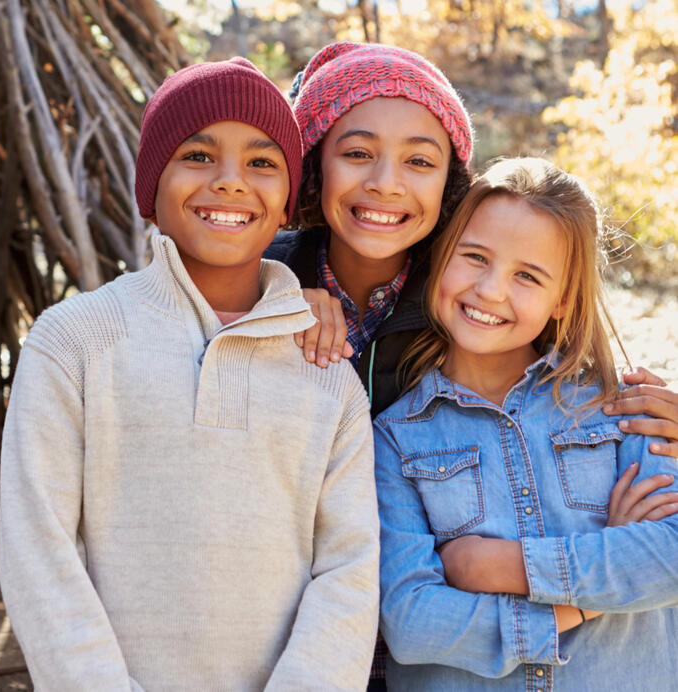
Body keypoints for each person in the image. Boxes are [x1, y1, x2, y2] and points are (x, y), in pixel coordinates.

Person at [264, 40, 678, 689]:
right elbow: (413, 618)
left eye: (418, 160)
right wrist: (275, 296)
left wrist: (520, 570)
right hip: (294, 626)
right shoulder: (267, 285)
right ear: (316, 164)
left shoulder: (475, 306)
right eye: (357, 152)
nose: (386, 182)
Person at [0, 58, 379, 691]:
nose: (231, 182)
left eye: (262, 162)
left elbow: (350, 568)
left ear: (288, 200)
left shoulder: (324, 370)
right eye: (198, 155)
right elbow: (38, 551)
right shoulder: (74, 342)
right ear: (152, 185)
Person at [373, 157, 678, 691]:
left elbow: (669, 558)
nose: (491, 290)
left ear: (563, 298)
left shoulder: (623, 410)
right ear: (443, 258)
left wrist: (506, 565)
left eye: (527, 276)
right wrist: (591, 594)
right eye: (474, 257)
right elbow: (413, 623)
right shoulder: (395, 436)